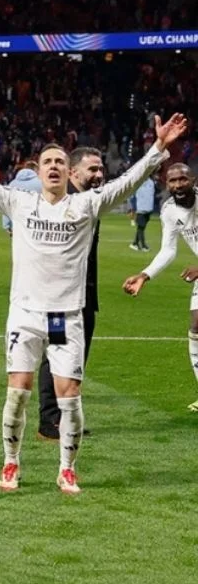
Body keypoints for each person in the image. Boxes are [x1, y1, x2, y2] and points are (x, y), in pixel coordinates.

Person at [0, 111, 187, 494]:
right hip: (24, 315)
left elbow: (129, 182)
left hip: (66, 316)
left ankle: (67, 469)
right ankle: (10, 464)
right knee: (18, 391)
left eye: (60, 161)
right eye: (48, 162)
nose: (54, 166)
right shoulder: (19, 203)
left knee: (69, 396)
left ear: (67, 171)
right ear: (39, 171)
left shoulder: (87, 205)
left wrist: (159, 148)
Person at [37, 146, 104, 441]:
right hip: (60, 299)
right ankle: (49, 420)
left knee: (74, 357)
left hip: (84, 296)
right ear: (73, 171)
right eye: (93, 169)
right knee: (56, 355)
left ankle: (62, 417)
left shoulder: (89, 202)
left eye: (101, 169)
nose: (99, 174)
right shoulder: (66, 204)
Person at [122, 163, 198, 411]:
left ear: (192, 179)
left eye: (182, 179)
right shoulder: (168, 210)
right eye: (172, 181)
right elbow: (168, 250)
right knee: (196, 327)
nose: (177, 185)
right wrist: (145, 275)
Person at [131, 176, 156, 251]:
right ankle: (143, 246)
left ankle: (134, 243)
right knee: (141, 228)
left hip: (149, 209)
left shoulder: (151, 182)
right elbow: (133, 194)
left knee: (141, 227)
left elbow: (152, 193)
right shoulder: (138, 182)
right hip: (141, 209)